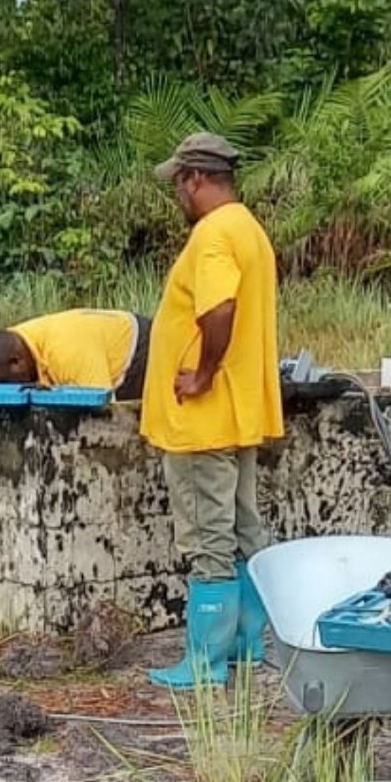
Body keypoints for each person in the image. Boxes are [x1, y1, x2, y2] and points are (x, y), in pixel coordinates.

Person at [141, 132, 282, 687]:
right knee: (244, 531)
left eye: (179, 182)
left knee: (207, 539)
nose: (178, 192)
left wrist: (200, 374)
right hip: (237, 415)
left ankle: (205, 663)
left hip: (202, 422)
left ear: (196, 177)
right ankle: (246, 646)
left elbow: (218, 308)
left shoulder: (215, 234)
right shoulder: (249, 230)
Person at [0, 310, 151, 401]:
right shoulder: (8, 345)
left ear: (17, 362)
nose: (13, 391)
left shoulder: (66, 353)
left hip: (142, 353)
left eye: (9, 385)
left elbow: (105, 409)